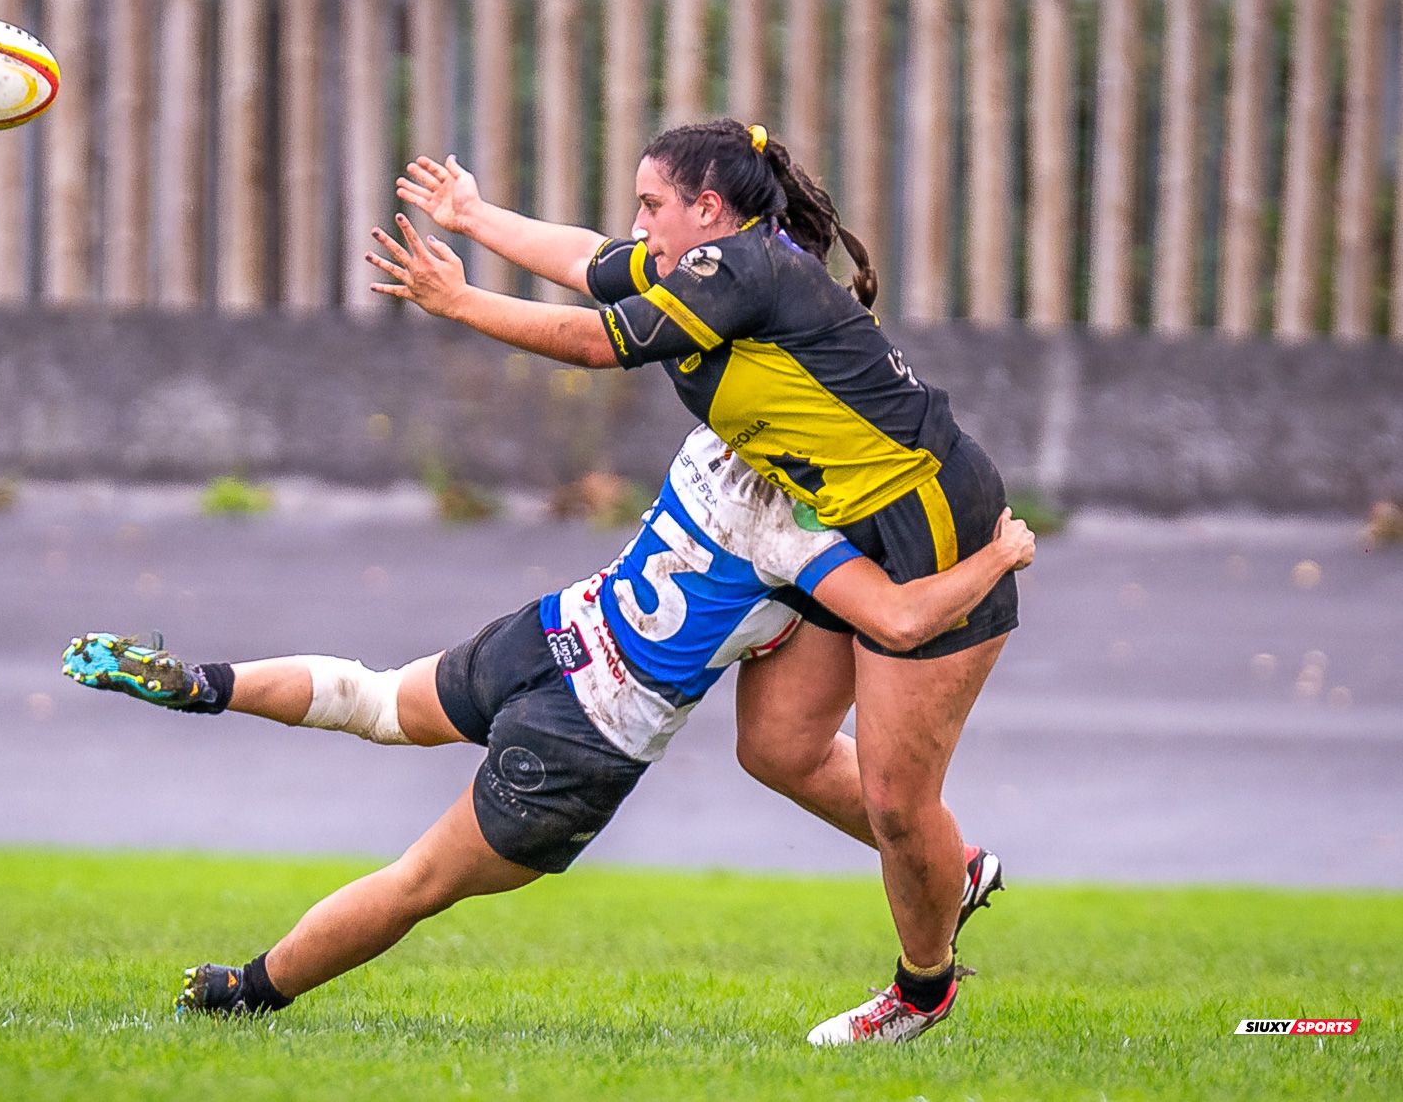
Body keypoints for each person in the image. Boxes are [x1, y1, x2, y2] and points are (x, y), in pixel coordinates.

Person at [373, 119, 1020, 1043]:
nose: (638, 226)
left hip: (937, 526)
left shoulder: (745, 271)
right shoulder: (705, 266)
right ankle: (947, 872)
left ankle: (924, 988)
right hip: (844, 518)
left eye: (652, 205)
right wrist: (473, 215)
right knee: (779, 747)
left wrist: (463, 303)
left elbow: (602, 342)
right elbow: (590, 263)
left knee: (894, 799)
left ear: (708, 211)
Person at [61, 424, 1034, 1022]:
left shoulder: (705, 445)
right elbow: (903, 618)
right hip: (584, 741)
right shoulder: (799, 532)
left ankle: (200, 680)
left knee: (369, 697)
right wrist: (999, 555)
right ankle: (247, 990)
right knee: (415, 883)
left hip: (549, 633)